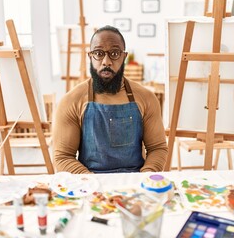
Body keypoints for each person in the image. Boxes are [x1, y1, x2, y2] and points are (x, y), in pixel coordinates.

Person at [53, 25, 167, 174]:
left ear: (124, 57)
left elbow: (157, 148)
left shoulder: (146, 98)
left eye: (114, 53)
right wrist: (91, 182)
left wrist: (146, 176)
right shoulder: (71, 101)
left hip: (135, 182)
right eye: (99, 53)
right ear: (90, 56)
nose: (106, 61)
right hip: (90, 184)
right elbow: (63, 157)